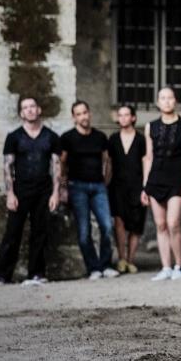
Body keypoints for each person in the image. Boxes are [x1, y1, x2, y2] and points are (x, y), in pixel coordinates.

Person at [0, 96, 61, 285]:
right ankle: (1, 275)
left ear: (39, 110)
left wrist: (56, 193)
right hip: (20, 191)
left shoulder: (51, 136)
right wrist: (10, 193)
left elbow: (57, 167)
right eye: (25, 107)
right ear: (21, 113)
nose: (30, 110)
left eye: (33, 106)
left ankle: (36, 273)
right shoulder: (13, 137)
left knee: (40, 232)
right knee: (12, 232)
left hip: (44, 191)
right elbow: (8, 167)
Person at [61, 100, 119, 280]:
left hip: (98, 187)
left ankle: (106, 265)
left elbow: (107, 160)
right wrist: (63, 186)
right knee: (84, 232)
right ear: (74, 118)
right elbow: (61, 163)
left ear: (89, 113)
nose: (83, 116)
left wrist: (105, 181)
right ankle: (93, 267)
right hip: (77, 187)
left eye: (85, 112)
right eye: (78, 114)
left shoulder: (100, 137)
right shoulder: (67, 138)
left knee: (108, 226)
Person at [143, 87, 181, 281]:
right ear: (157, 102)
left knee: (173, 224)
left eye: (170, 98)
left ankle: (180, 266)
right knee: (161, 225)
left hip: (176, 179)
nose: (167, 101)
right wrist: (145, 185)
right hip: (155, 179)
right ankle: (166, 267)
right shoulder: (150, 126)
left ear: (175, 101)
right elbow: (148, 156)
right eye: (163, 98)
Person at [107, 103, 147, 274]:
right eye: (120, 115)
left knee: (136, 224)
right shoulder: (113, 139)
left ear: (133, 118)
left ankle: (131, 260)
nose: (123, 118)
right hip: (117, 185)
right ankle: (122, 259)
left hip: (137, 185)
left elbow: (146, 162)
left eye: (126, 115)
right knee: (119, 222)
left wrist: (146, 187)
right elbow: (107, 163)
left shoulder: (141, 139)